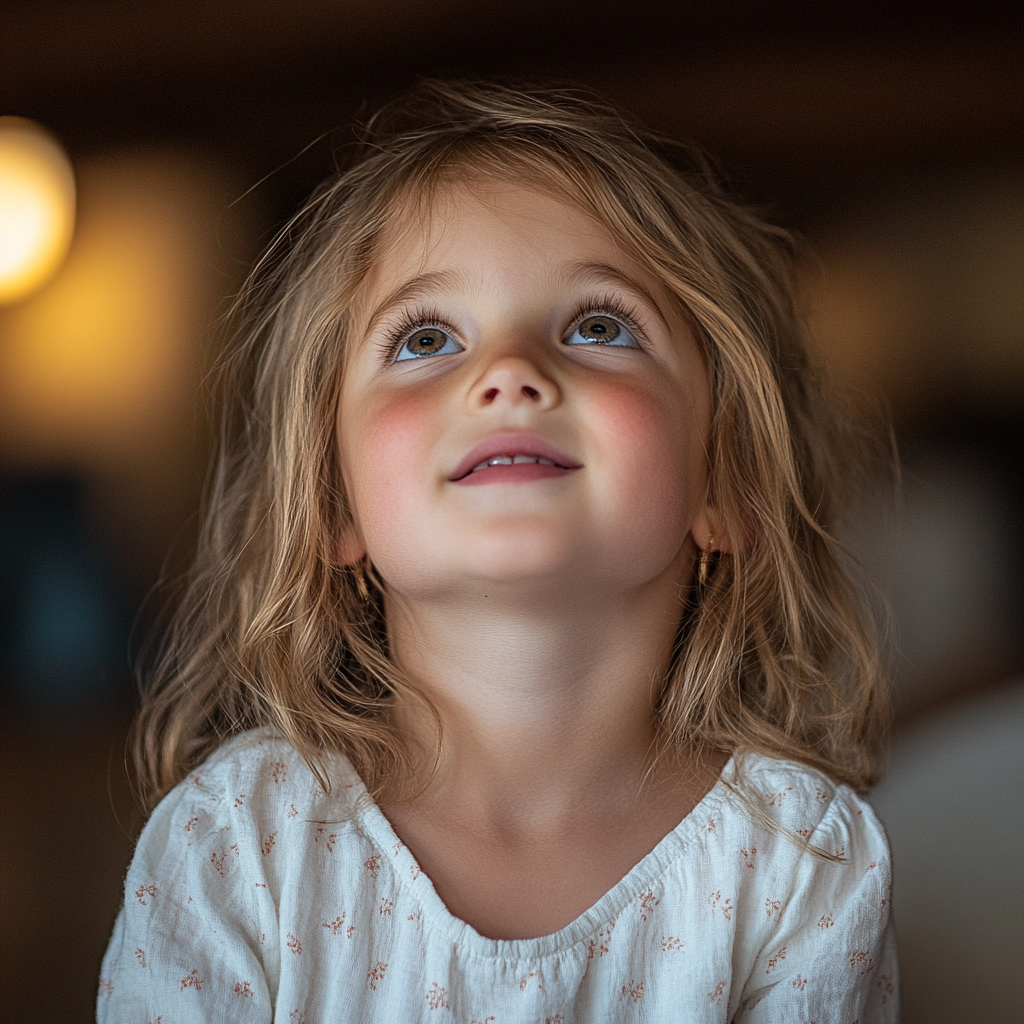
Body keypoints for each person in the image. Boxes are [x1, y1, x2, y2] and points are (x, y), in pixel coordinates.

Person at [98, 81, 897, 1022]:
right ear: (332, 501)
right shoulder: (235, 846)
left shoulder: (802, 864)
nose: (509, 371)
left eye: (598, 327)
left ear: (724, 480)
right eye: (426, 337)